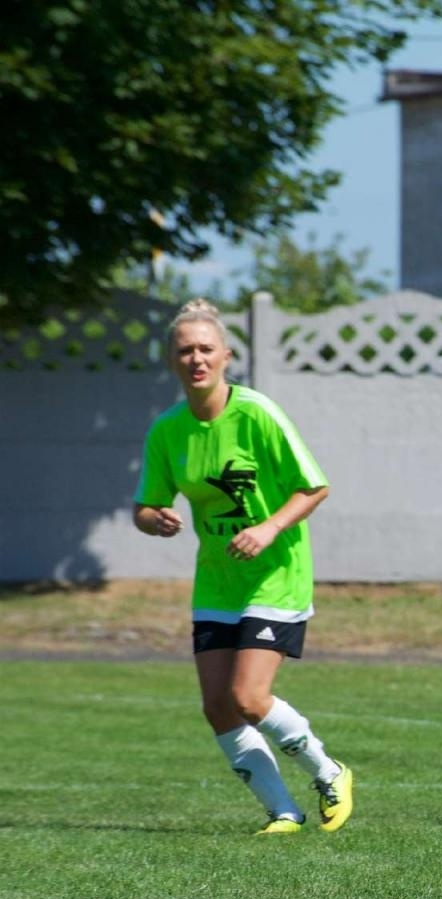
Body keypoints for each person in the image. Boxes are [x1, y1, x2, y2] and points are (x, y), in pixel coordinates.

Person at [134, 299, 353, 836]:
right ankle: (283, 812)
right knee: (217, 706)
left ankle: (329, 773)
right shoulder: (168, 431)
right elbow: (144, 506)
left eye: (206, 348)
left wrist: (269, 527)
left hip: (277, 572)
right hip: (217, 579)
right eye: (185, 351)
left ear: (227, 355)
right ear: (172, 361)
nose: (196, 359)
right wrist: (152, 519)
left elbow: (315, 485)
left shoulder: (258, 413)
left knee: (248, 697)